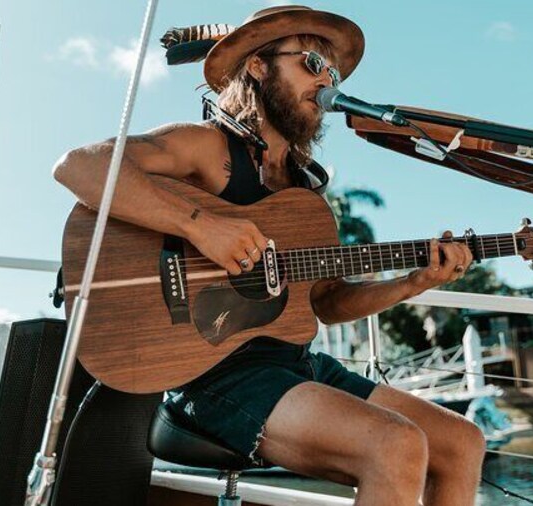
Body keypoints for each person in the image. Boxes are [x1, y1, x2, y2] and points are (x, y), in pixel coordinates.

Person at [52, 6, 485, 505]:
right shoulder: (207, 149)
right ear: (258, 66)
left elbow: (325, 302)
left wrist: (412, 284)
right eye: (309, 62)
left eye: (331, 71)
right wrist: (203, 227)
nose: (325, 80)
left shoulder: (306, 194)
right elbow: (78, 168)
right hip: (213, 375)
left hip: (295, 365)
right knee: (394, 443)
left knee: (461, 441)